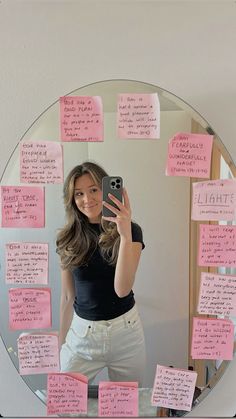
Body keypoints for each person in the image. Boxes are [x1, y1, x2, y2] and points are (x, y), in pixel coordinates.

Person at [56, 161, 146, 385]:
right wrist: (61, 341)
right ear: (72, 199)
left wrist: (124, 236)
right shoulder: (67, 237)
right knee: (67, 401)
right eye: (79, 194)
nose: (87, 199)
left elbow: (122, 289)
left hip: (126, 332)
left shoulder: (131, 231)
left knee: (125, 405)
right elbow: (68, 296)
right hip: (82, 335)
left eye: (93, 190)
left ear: (106, 189)